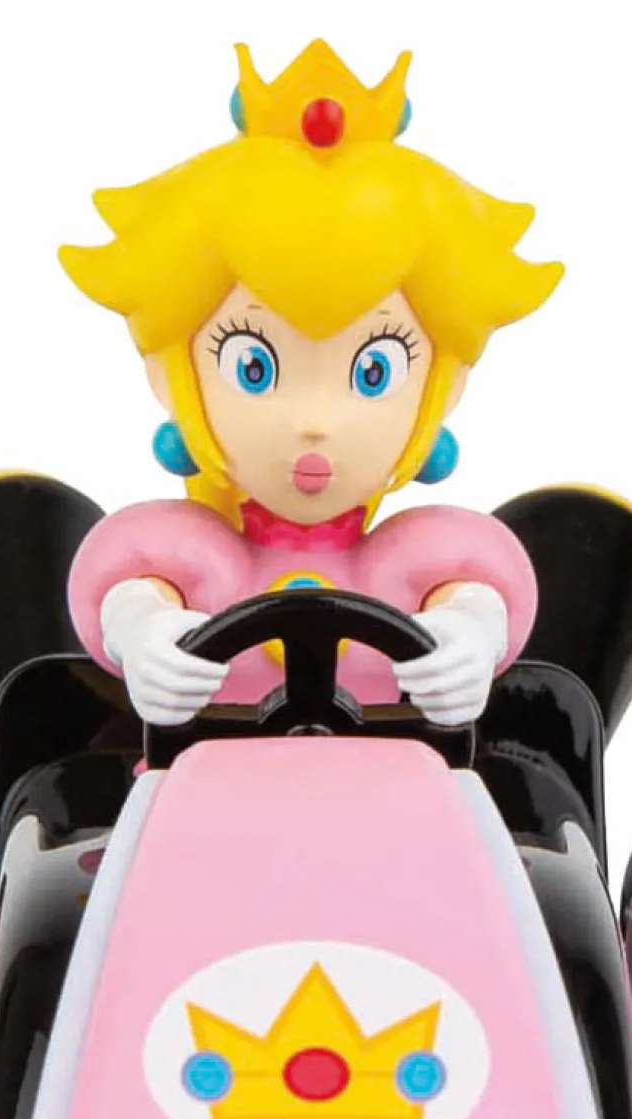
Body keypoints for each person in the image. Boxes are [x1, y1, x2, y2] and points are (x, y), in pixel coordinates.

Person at [59, 39, 563, 728]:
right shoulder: (198, 561)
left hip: (398, 785)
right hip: (197, 783)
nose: (315, 420)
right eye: (255, 368)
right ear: (172, 374)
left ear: (441, 390)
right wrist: (144, 634)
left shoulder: (406, 565)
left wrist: (470, 636)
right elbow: (136, 589)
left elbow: (470, 592)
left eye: (373, 373)